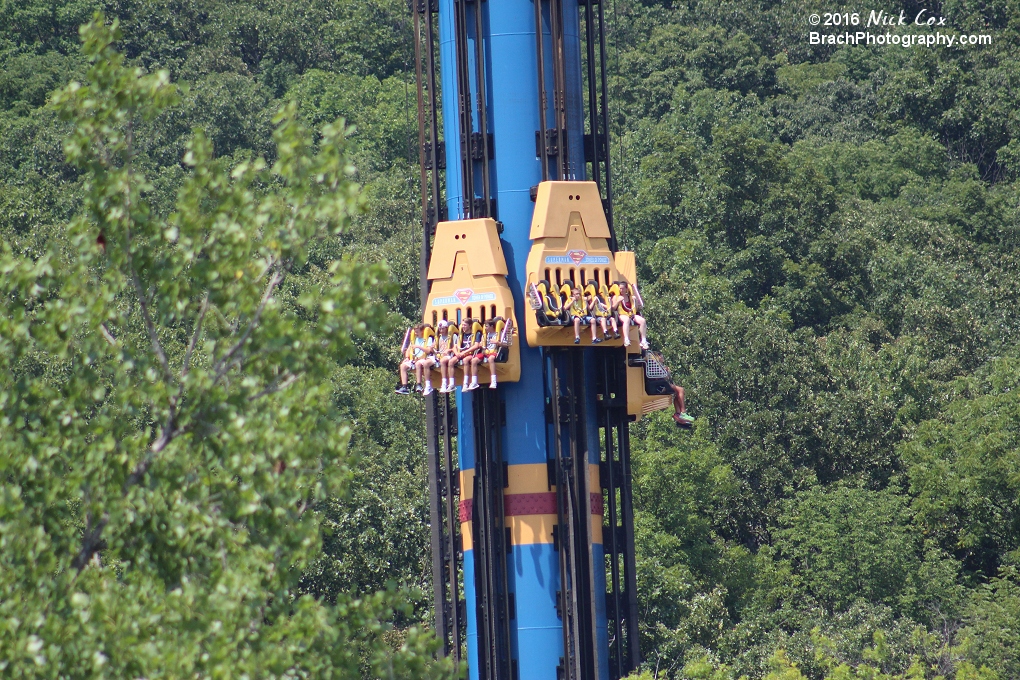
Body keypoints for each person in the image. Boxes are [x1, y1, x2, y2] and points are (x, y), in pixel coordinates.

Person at [612, 281, 649, 349]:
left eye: (623, 288)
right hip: (622, 314)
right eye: (620, 288)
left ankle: (643, 340)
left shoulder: (631, 297)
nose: (621, 290)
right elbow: (613, 308)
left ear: (626, 289)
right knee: (627, 320)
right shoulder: (616, 297)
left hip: (631, 314)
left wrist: (635, 301)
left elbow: (636, 308)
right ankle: (626, 339)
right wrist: (618, 301)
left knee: (643, 321)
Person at [396, 323, 427, 394]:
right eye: (415, 331)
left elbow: (428, 350)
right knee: (403, 366)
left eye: (417, 331)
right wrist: (407, 357)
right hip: (414, 359)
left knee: (418, 364)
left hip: (423, 359)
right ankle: (404, 387)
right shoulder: (414, 340)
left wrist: (418, 347)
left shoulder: (426, 339)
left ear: (422, 331)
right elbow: (409, 349)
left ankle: (419, 384)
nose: (416, 333)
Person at [455, 318, 483, 391]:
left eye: (465, 325)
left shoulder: (476, 334)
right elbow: (455, 346)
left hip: (473, 353)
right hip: (463, 353)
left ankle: (469, 382)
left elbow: (476, 346)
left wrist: (464, 352)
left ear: (470, 325)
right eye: (462, 325)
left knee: (466, 360)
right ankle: (450, 383)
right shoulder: (461, 334)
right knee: (451, 361)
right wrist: (457, 353)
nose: (463, 326)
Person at [481, 318, 508, 389]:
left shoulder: (499, 333)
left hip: (495, 351)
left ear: (492, 326)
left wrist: (497, 342)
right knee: (473, 360)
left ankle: (493, 380)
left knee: (490, 359)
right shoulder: (485, 335)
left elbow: (506, 344)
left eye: (487, 326)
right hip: (485, 351)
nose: (485, 328)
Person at [436, 320, 458, 393]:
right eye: (440, 329)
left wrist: (450, 350)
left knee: (443, 361)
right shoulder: (438, 337)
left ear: (446, 328)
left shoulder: (453, 336)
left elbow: (456, 347)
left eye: (443, 328)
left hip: (450, 355)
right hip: (440, 355)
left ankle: (445, 383)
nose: (441, 330)